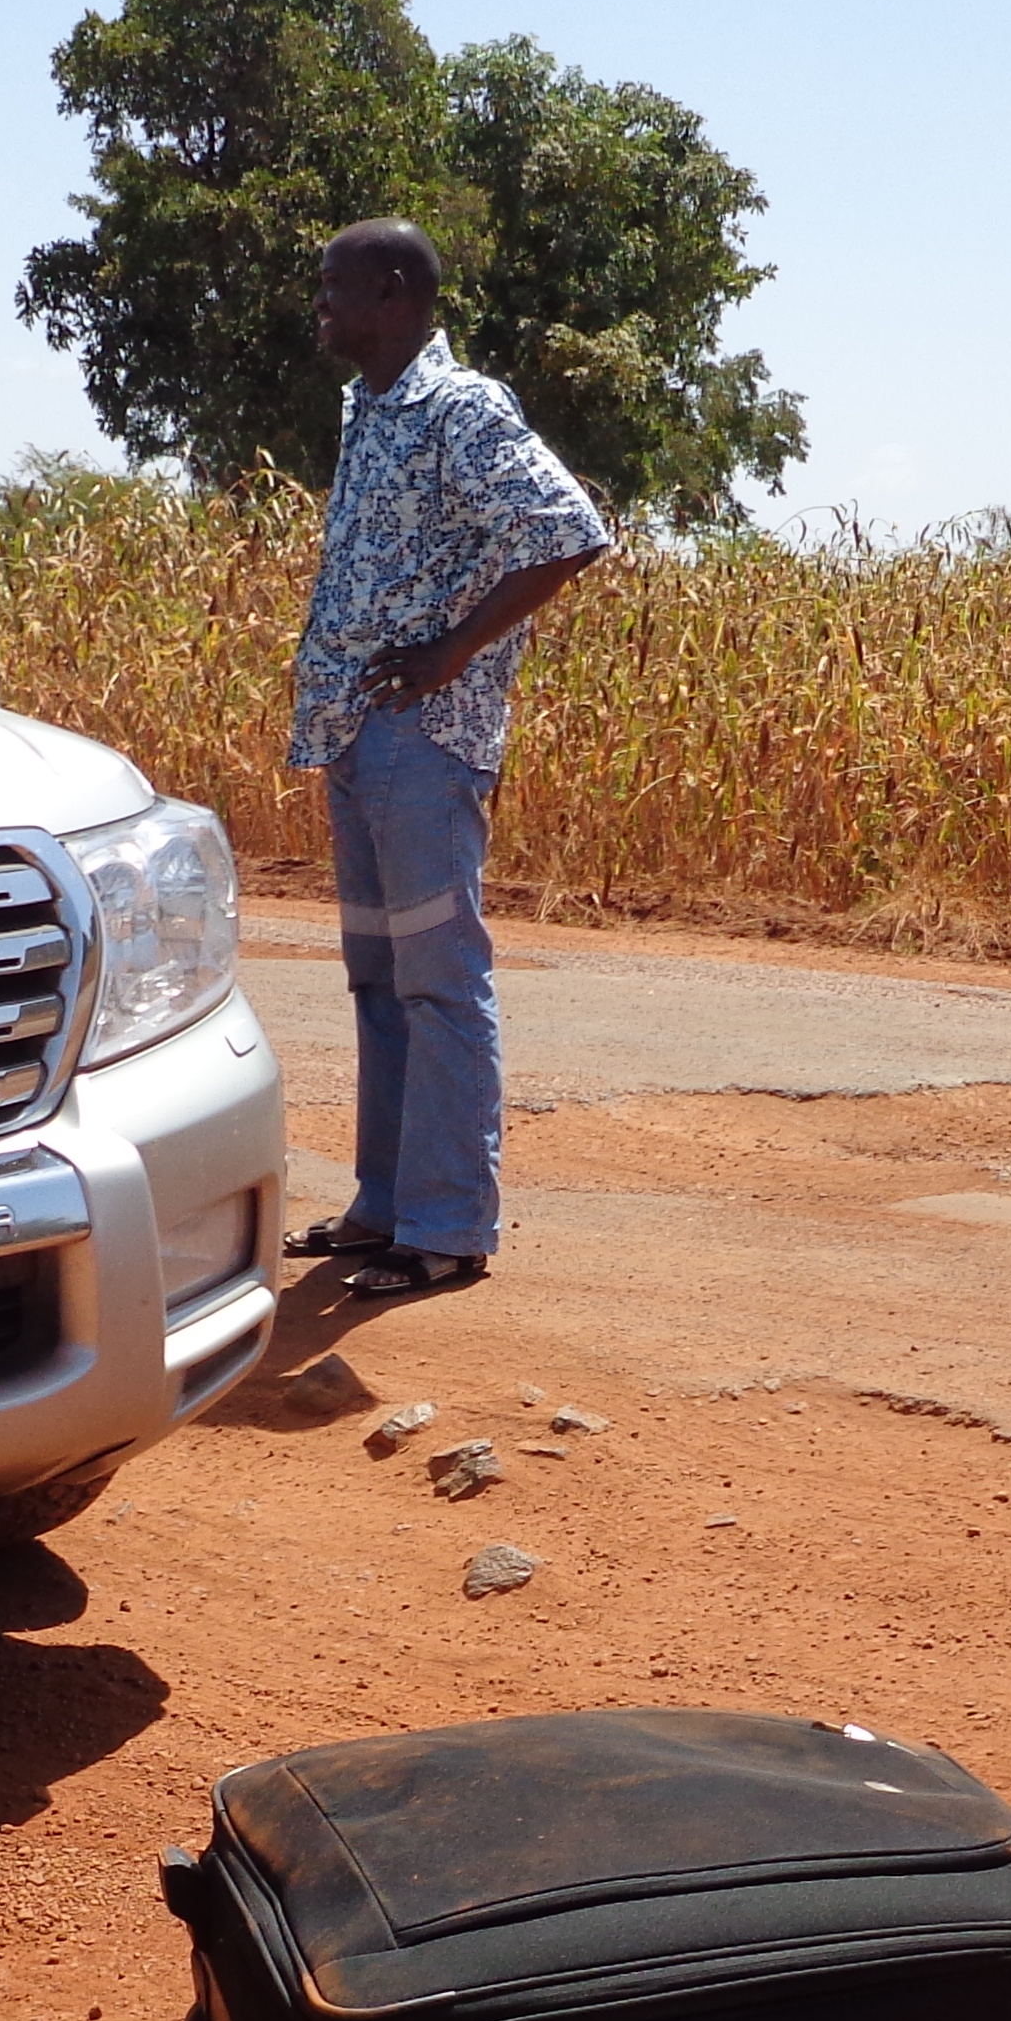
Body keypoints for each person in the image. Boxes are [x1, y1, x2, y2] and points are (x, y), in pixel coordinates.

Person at [285, 219, 610, 1299]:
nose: (319, 302)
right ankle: (385, 1207)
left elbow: (568, 529)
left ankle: (447, 1227)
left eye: (335, 286)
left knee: (438, 981)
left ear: (391, 291)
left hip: (426, 737)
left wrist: (453, 651)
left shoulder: (460, 406)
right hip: (355, 726)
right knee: (381, 981)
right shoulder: (367, 405)